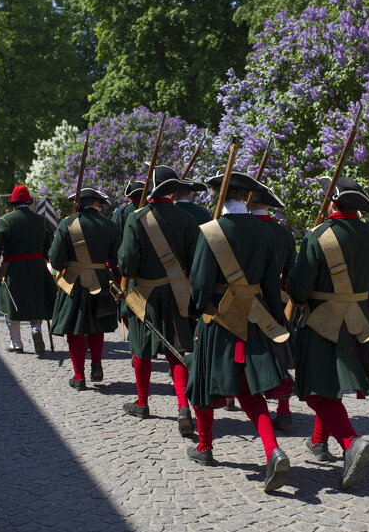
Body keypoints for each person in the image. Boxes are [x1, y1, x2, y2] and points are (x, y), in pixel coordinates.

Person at [185, 171, 292, 493]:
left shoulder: (211, 232)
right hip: (256, 319)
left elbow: (200, 283)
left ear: (220, 195)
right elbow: (272, 282)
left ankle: (205, 448)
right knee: (249, 393)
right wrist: (275, 318)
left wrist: (196, 310)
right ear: (245, 197)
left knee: (202, 385)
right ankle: (273, 450)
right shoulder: (265, 232)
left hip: (218, 319)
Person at [287, 176, 369, 491]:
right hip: (358, 325)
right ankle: (319, 442)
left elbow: (298, 288)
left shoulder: (318, 236)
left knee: (313, 390)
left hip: (322, 325)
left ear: (332, 203)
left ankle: (351, 443)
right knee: (327, 387)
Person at [118, 165, 199, 436]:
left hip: (145, 294)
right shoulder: (186, 219)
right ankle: (182, 407)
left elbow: (127, 263)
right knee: (176, 350)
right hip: (178, 293)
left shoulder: (137, 218)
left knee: (141, 349)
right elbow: (193, 260)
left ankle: (142, 402)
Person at [49, 187, 120, 389]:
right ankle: (96, 364)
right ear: (96, 203)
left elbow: (55, 260)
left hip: (74, 283)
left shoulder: (67, 224)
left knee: (75, 330)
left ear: (78, 204)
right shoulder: (109, 225)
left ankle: (79, 376)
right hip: (100, 279)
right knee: (97, 326)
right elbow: (115, 260)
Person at [248, 186, 296, 430]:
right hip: (276, 299)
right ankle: (284, 410)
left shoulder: (245, 229)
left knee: (244, 353)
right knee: (279, 353)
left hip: (245, 299)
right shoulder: (285, 234)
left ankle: (232, 398)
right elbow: (290, 275)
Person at [0, 185, 57, 354]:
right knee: (36, 301)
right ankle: (36, 329)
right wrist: (47, 260)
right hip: (37, 267)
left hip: (12, 269)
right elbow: (49, 247)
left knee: (12, 304)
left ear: (13, 203)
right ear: (29, 202)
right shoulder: (42, 221)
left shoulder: (5, 221)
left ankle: (16, 343)